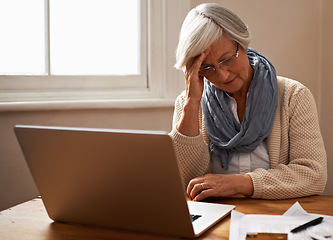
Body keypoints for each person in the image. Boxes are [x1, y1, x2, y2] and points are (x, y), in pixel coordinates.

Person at [170, 3, 327, 200]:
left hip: (279, 215)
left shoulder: (293, 96)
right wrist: (192, 103)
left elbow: (313, 175)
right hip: (217, 214)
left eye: (227, 59)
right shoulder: (188, 104)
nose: (222, 74)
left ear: (242, 43)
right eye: (206, 68)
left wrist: (241, 183)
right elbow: (186, 181)